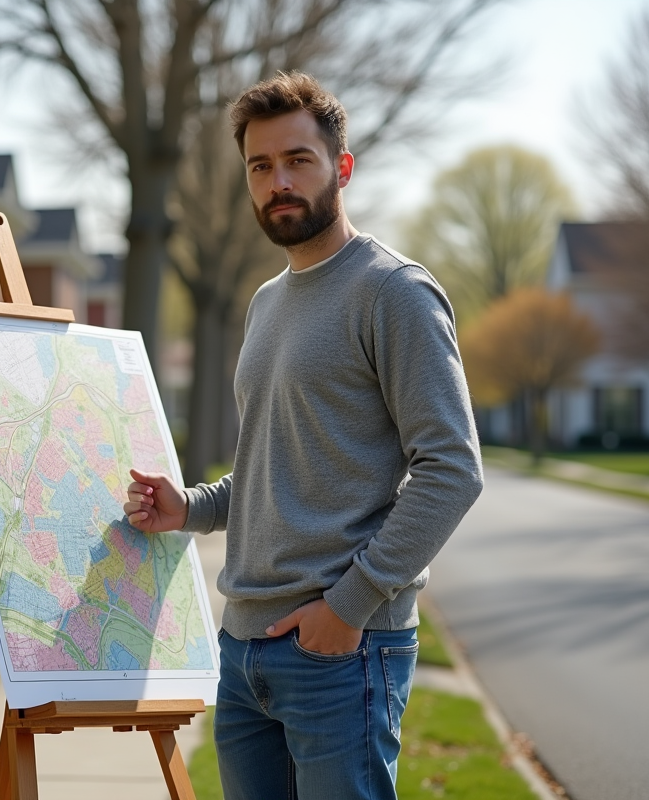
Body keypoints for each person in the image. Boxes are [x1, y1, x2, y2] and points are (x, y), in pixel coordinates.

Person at [123, 72, 483, 800]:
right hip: (244, 649)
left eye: (298, 161)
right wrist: (187, 507)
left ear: (341, 168)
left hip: (340, 652)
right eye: (261, 167)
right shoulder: (265, 303)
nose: (278, 182)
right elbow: (269, 466)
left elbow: (453, 468)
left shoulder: (395, 293)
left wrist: (349, 607)